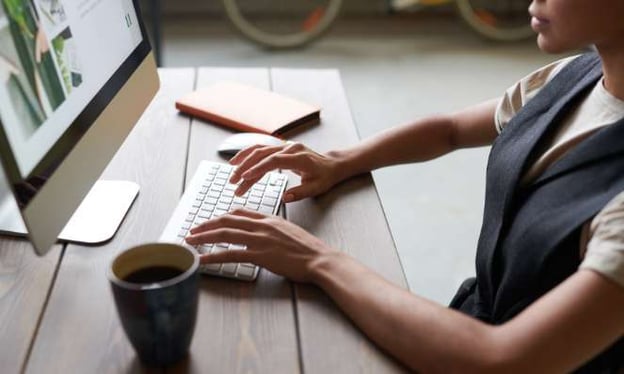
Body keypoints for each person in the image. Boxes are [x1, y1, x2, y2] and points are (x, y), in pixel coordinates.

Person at [185, 0, 624, 371]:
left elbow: (501, 361)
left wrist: (317, 260)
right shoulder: (577, 77)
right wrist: (338, 161)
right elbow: (450, 129)